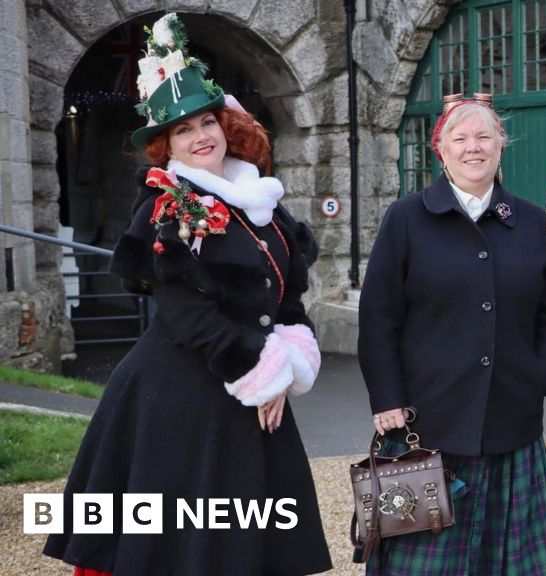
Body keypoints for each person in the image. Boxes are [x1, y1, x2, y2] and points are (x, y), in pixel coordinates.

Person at [43, 14, 331, 576]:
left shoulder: (262, 202)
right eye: (182, 130)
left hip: (250, 389)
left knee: (248, 539)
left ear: (226, 126)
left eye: (207, 121)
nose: (200, 137)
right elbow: (186, 315)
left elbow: (287, 299)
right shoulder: (168, 205)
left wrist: (289, 360)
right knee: (180, 545)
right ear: (164, 144)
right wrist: (264, 375)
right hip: (180, 394)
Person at [358, 93, 546, 575]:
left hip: (511, 419)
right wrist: (386, 397)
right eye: (460, 138)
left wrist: (539, 373)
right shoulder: (406, 219)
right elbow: (378, 316)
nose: (472, 147)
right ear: (441, 150)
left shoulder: (530, 220)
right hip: (426, 419)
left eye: (484, 137)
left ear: (501, 147)